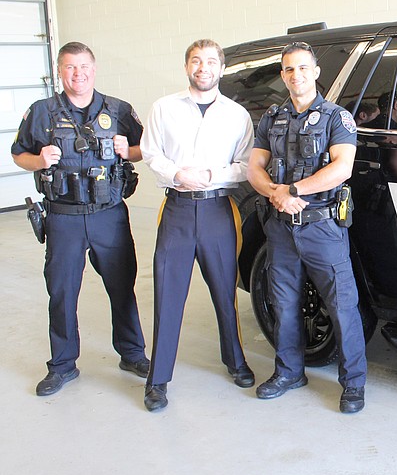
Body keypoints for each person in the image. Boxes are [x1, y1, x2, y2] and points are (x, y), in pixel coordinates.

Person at [11, 41, 149, 396]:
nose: (78, 74)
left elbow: (146, 148)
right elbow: (18, 154)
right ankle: (62, 364)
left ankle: (132, 353)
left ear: (94, 67)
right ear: (60, 71)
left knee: (122, 288)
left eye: (84, 66)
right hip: (64, 217)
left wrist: (127, 151)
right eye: (70, 67)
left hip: (109, 216)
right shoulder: (41, 112)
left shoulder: (118, 109)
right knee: (61, 292)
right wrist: (39, 160)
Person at [247, 41, 368, 414]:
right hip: (281, 227)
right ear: (282, 75)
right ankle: (288, 372)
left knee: (342, 305)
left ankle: (353, 385)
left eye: (302, 68)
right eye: (288, 69)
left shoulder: (336, 118)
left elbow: (341, 168)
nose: (295, 75)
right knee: (282, 302)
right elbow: (254, 167)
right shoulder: (271, 117)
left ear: (316, 72)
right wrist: (276, 194)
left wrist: (294, 190)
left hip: (321, 226)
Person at [140, 39, 255, 412]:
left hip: (218, 212)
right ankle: (157, 380)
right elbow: (150, 152)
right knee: (168, 296)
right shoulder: (164, 108)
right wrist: (176, 173)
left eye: (210, 61)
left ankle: (235, 361)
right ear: (186, 66)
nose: (202, 67)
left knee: (226, 293)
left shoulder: (237, 114)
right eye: (195, 61)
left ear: (221, 68)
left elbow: (245, 165)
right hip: (175, 211)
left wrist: (210, 174)